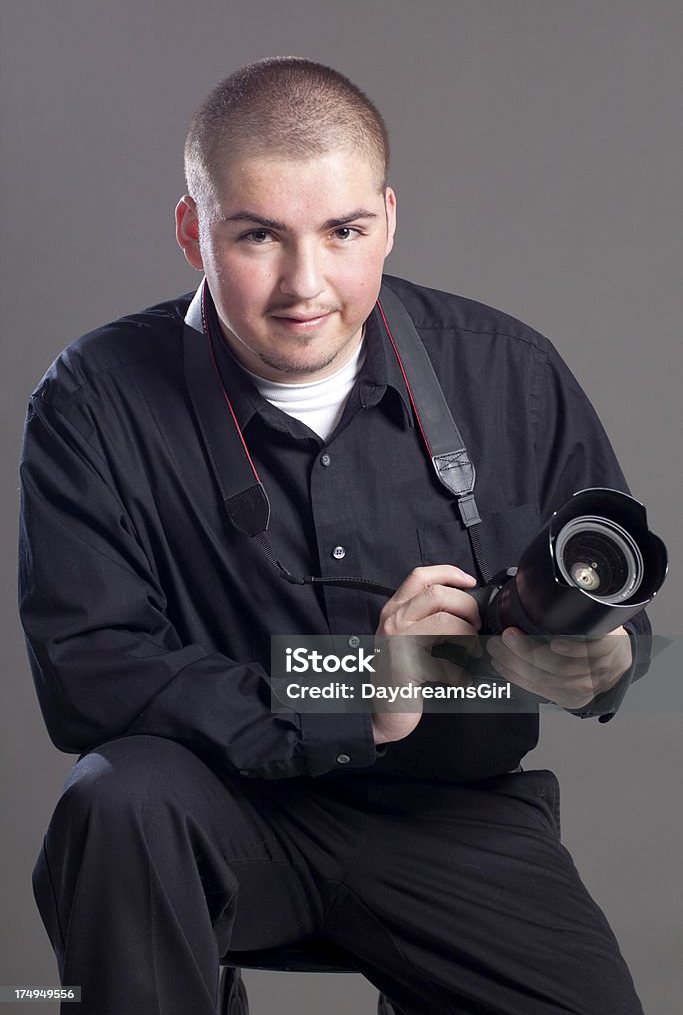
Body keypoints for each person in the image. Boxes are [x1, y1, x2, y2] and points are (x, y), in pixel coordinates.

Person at [19, 57, 650, 1015]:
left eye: (344, 232)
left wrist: (602, 662)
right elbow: (89, 670)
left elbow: (622, 620)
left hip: (455, 818)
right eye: (259, 236)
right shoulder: (94, 398)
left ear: (388, 220)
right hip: (216, 814)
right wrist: (364, 687)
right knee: (115, 796)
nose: (303, 285)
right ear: (194, 230)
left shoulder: (510, 372)